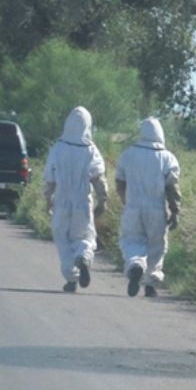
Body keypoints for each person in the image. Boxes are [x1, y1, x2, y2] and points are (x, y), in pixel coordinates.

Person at [115, 117, 181, 298]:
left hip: (133, 206)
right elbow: (172, 186)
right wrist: (175, 210)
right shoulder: (167, 158)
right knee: (157, 246)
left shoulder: (128, 155)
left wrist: (127, 201)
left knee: (131, 240)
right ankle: (151, 284)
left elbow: (120, 182)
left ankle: (136, 264)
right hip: (156, 207)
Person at [43, 106, 107, 293]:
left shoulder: (58, 148)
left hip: (61, 201)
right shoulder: (91, 150)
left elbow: (49, 180)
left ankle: (71, 277)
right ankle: (84, 257)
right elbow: (98, 178)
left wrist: (48, 200)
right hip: (82, 202)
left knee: (62, 239)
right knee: (85, 237)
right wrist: (103, 200)